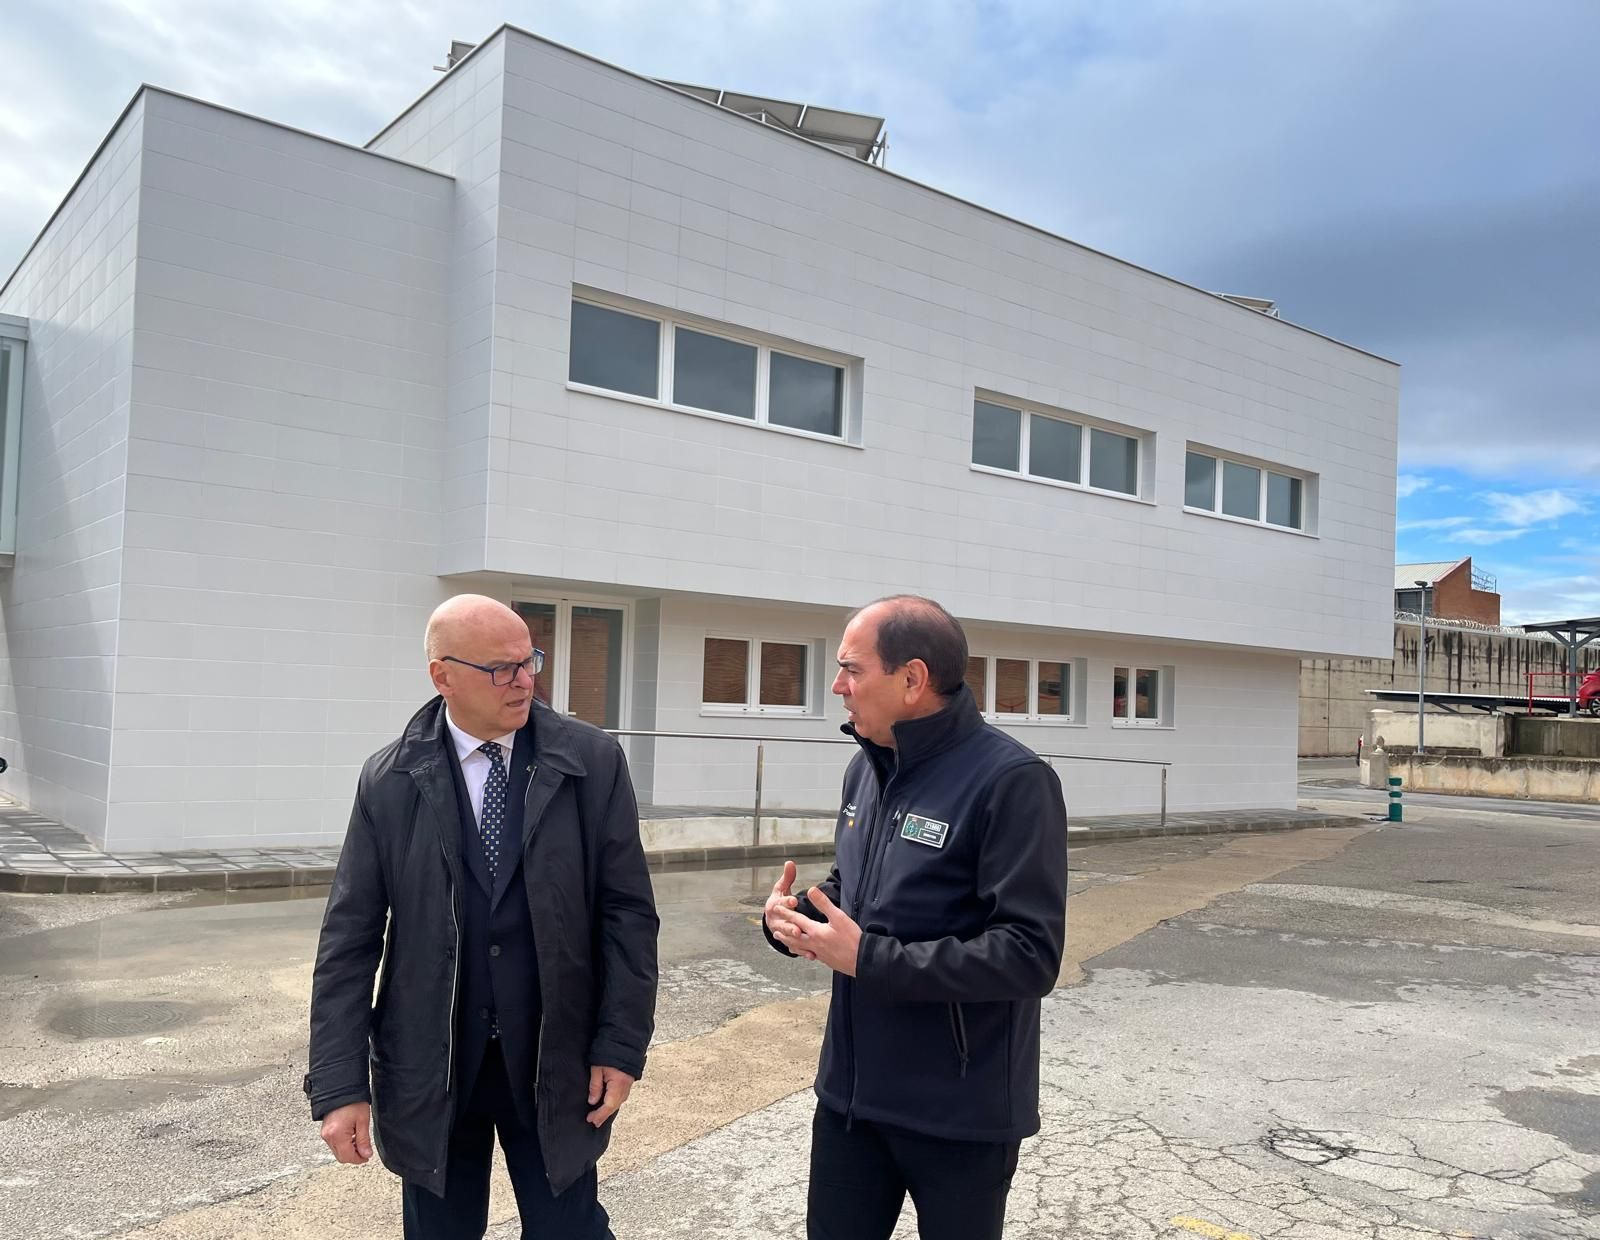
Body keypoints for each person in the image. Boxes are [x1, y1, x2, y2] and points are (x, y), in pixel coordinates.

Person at [306, 594, 658, 1239]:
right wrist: (338, 1083)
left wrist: (620, 1044)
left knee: (569, 1229)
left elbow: (628, 915)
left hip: (557, 1058)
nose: (525, 681)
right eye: (502, 668)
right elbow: (349, 939)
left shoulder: (590, 762)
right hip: (431, 1065)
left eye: (529, 662)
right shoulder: (389, 780)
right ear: (443, 675)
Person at [764, 595, 1068, 1240]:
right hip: (851, 1098)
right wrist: (798, 919)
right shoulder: (866, 767)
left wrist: (867, 958)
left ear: (912, 680)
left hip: (959, 1111)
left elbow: (1029, 953)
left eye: (852, 669)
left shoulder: (1012, 781)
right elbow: (855, 891)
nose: (837, 685)